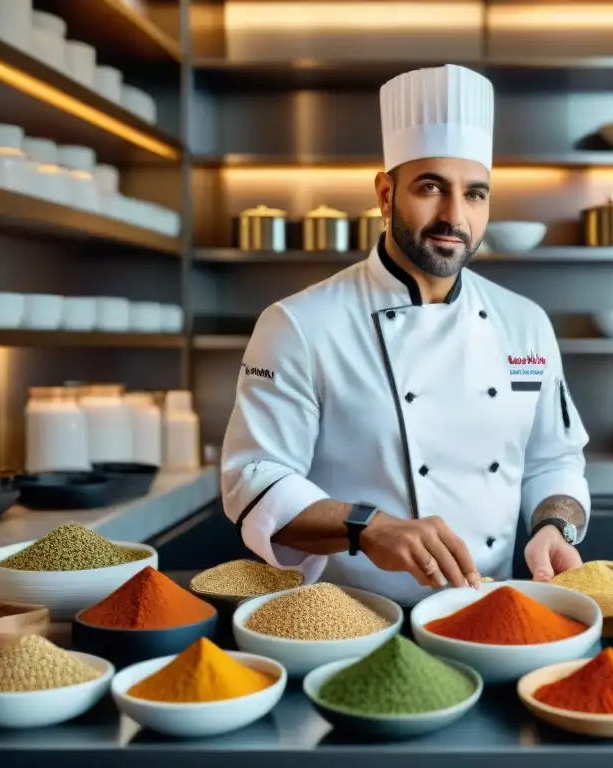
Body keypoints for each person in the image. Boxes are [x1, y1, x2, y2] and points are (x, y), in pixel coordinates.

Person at [219, 64, 592, 606]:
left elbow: (555, 460)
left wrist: (555, 527)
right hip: (350, 618)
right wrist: (368, 528)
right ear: (386, 193)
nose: (454, 216)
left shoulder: (524, 323)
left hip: (489, 611)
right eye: (431, 188)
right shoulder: (299, 324)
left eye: (475, 194)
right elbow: (254, 478)